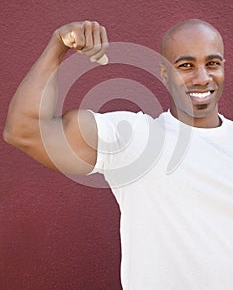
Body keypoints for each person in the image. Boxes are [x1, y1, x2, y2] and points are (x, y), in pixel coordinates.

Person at [3, 19, 233, 290]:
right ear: (164, 73)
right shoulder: (135, 139)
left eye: (212, 64)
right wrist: (57, 46)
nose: (203, 77)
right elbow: (23, 131)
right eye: (186, 66)